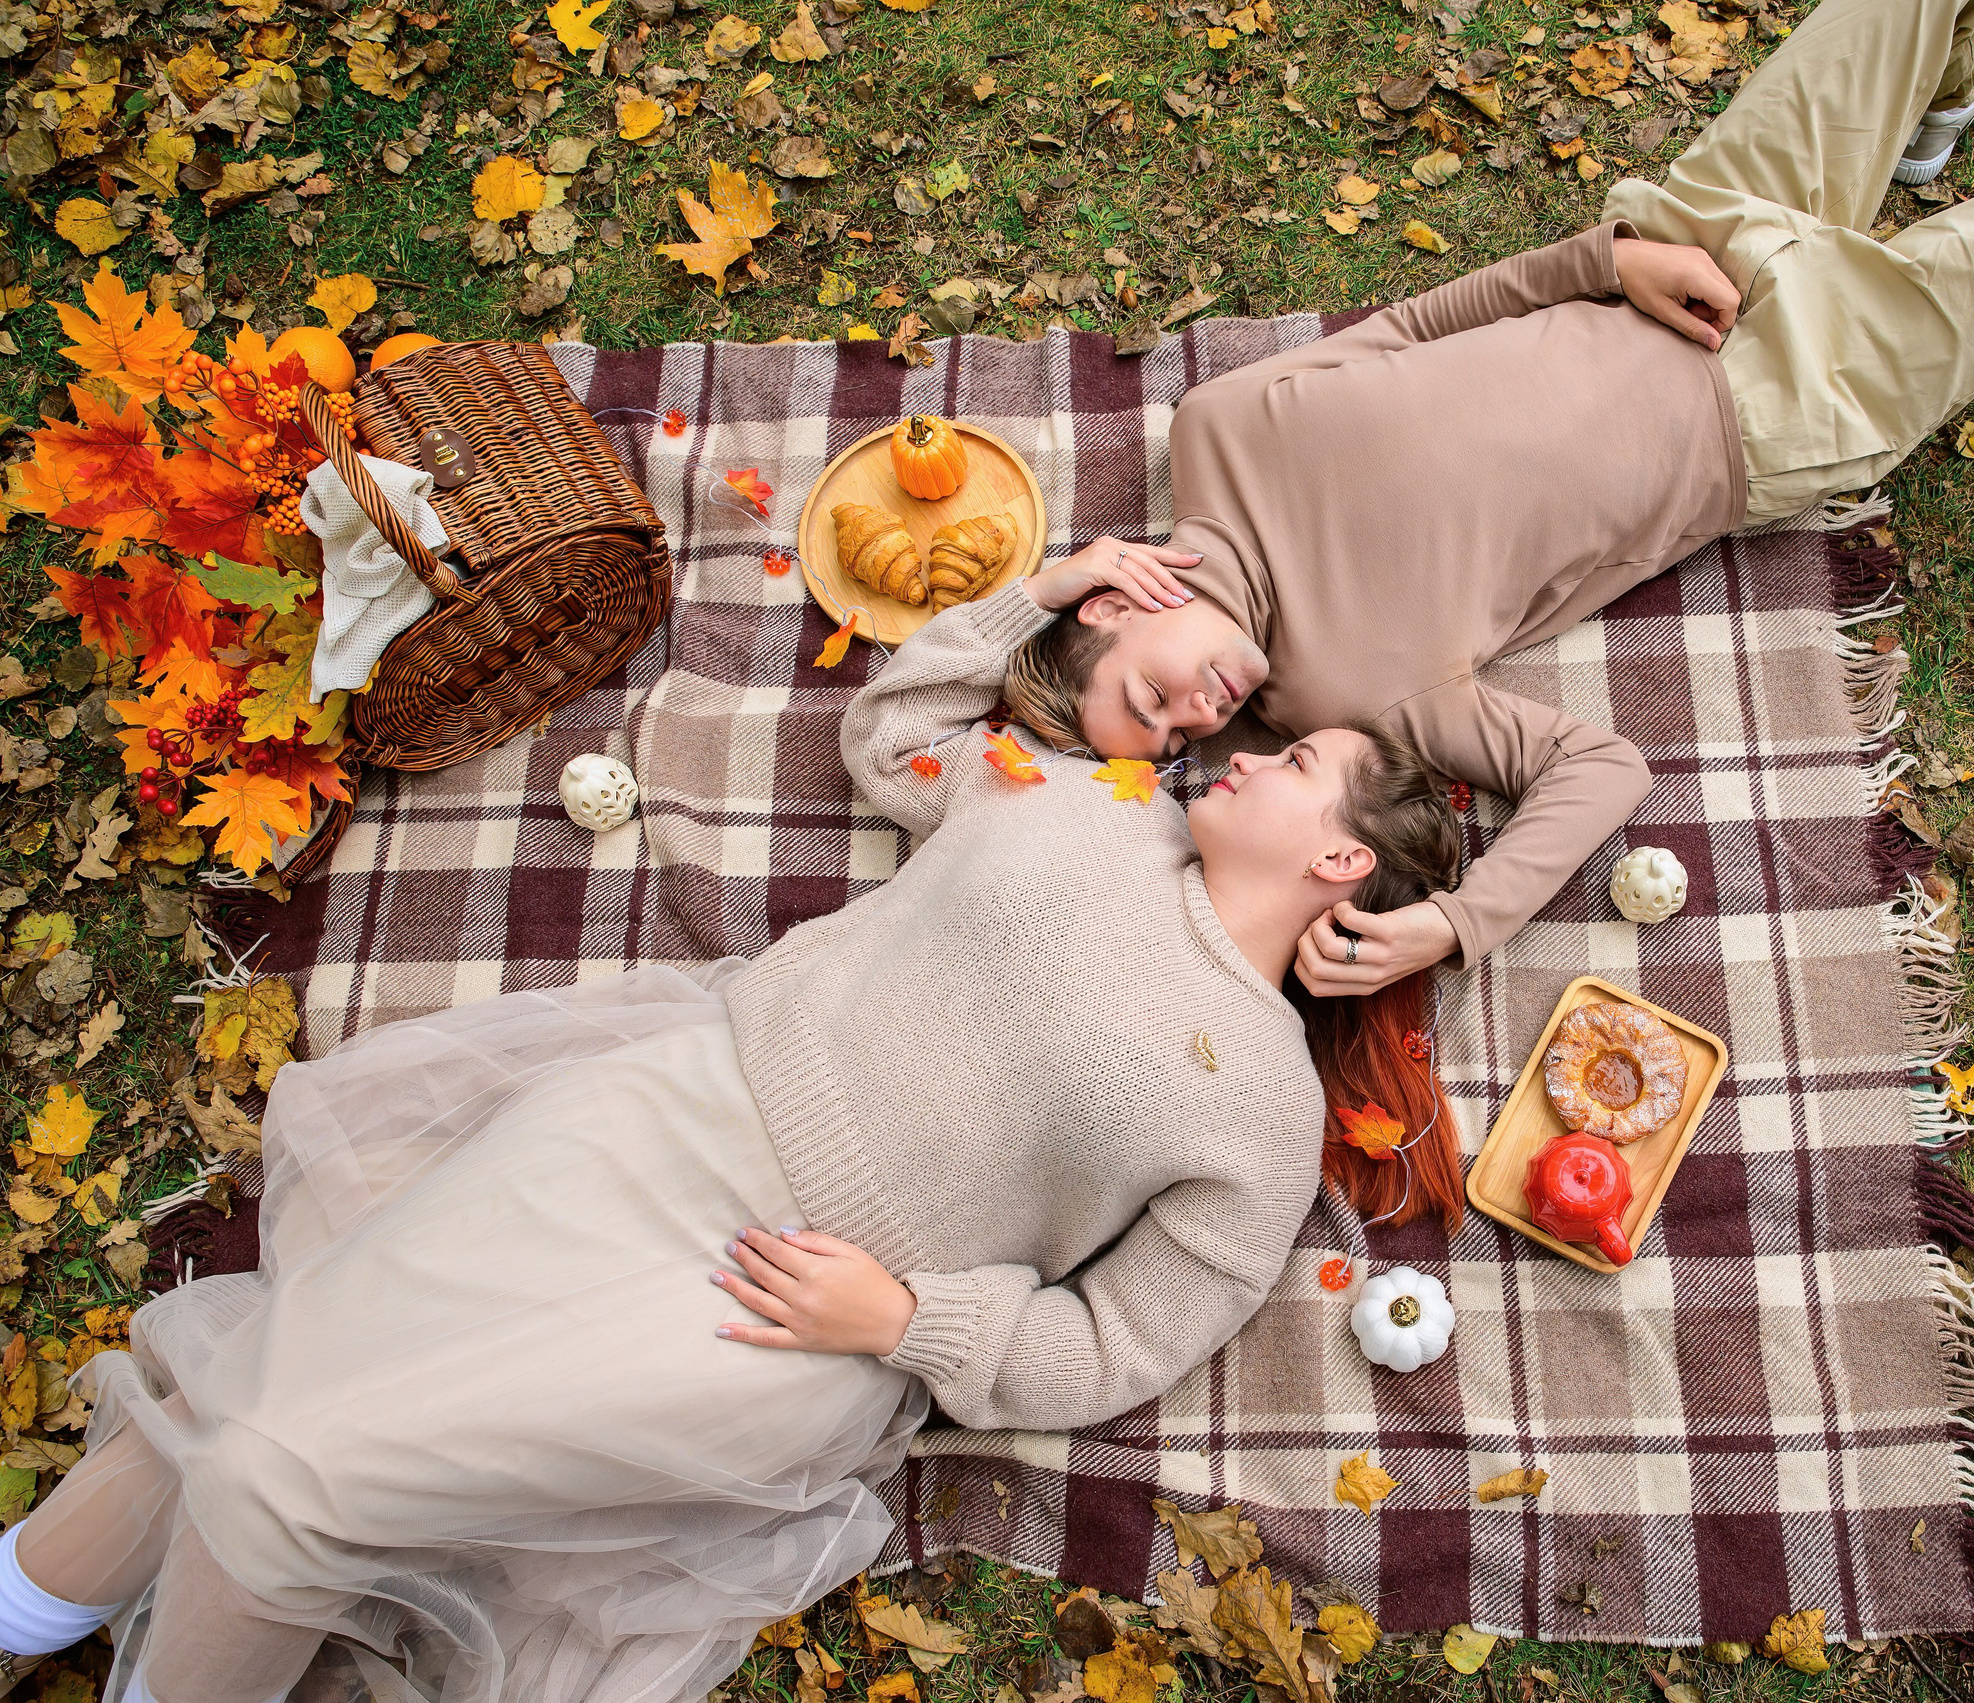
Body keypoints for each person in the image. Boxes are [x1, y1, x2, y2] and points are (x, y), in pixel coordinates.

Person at [0, 543, 1462, 1703]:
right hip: (664, 1111)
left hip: (785, 1309)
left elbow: (1125, 1340)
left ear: (1339, 856)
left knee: (278, 1473)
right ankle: (22, 1605)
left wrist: (914, 1319)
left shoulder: (1265, 1104)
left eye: (1296, 764)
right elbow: (895, 730)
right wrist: (1053, 586)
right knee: (263, 1377)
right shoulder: (1085, 800)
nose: (1252, 753)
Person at [1000, 0, 1974, 997]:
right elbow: (1595, 769)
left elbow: (1414, 325)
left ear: (1116, 597)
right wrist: (1457, 923)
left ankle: (1952, 89)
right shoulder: (1344, 697)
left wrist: (1606, 260)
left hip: (1692, 242)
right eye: (1175, 749)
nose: (1195, 724)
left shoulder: (1215, 425)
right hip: (1783, 402)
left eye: (1145, 700)